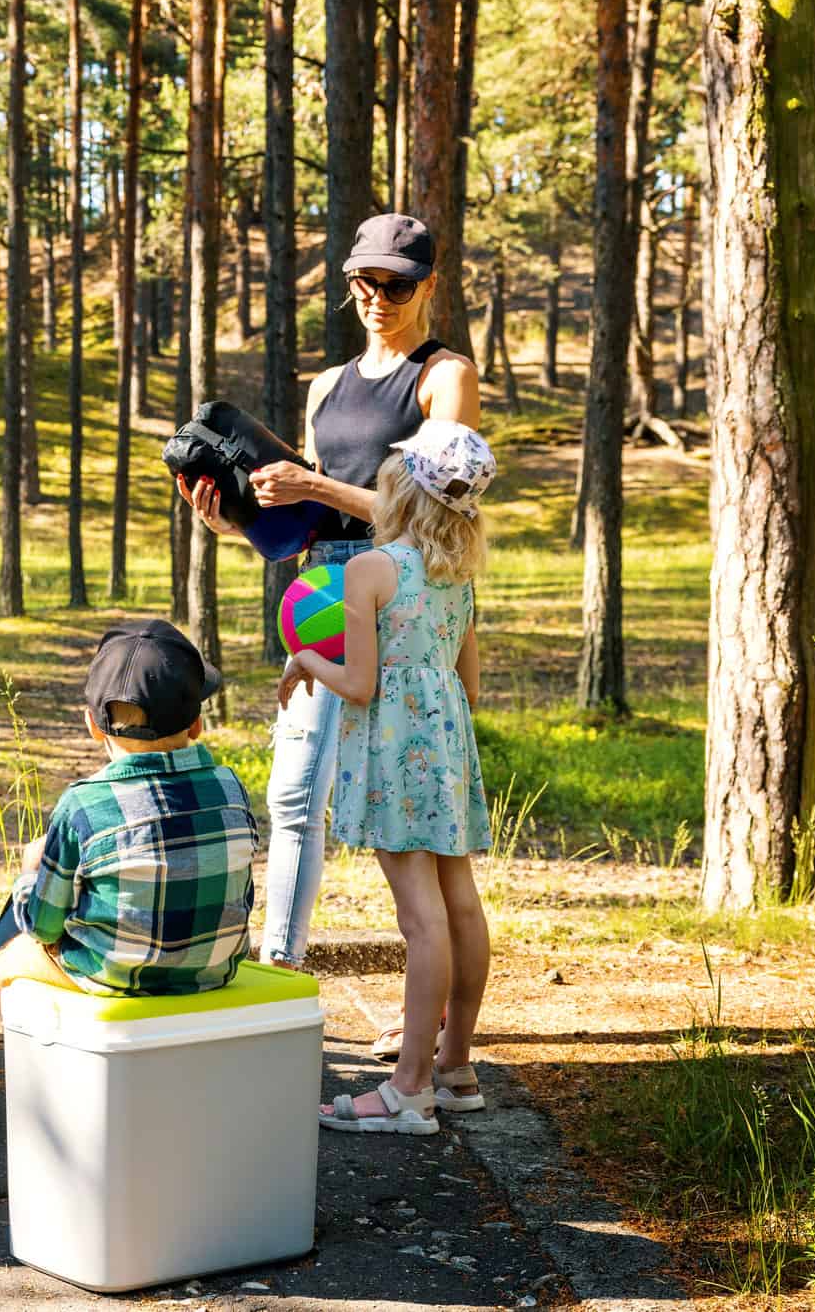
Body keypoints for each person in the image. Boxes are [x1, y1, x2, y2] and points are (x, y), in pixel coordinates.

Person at [177, 211, 480, 1059]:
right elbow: (305, 520)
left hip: (407, 591)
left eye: (396, 285)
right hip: (322, 587)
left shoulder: (443, 376)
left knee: (421, 834)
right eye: (364, 284)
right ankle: (279, 970)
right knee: (294, 794)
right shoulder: (324, 387)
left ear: (427, 287)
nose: (377, 299)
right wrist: (236, 523)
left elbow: (448, 508)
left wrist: (318, 483)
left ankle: (439, 1034)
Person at [0, 621, 257, 1124]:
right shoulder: (230, 785)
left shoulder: (84, 805)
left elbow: (43, 925)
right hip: (213, 970)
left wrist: (27, 873)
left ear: (92, 724)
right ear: (196, 726)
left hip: (116, 978)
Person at [278, 419, 496, 1135]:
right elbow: (467, 683)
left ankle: (408, 1088)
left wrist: (306, 661)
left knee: (419, 918)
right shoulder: (454, 574)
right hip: (446, 748)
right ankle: (455, 1068)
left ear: (400, 486)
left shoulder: (371, 569)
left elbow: (362, 684)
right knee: (459, 902)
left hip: (395, 756)